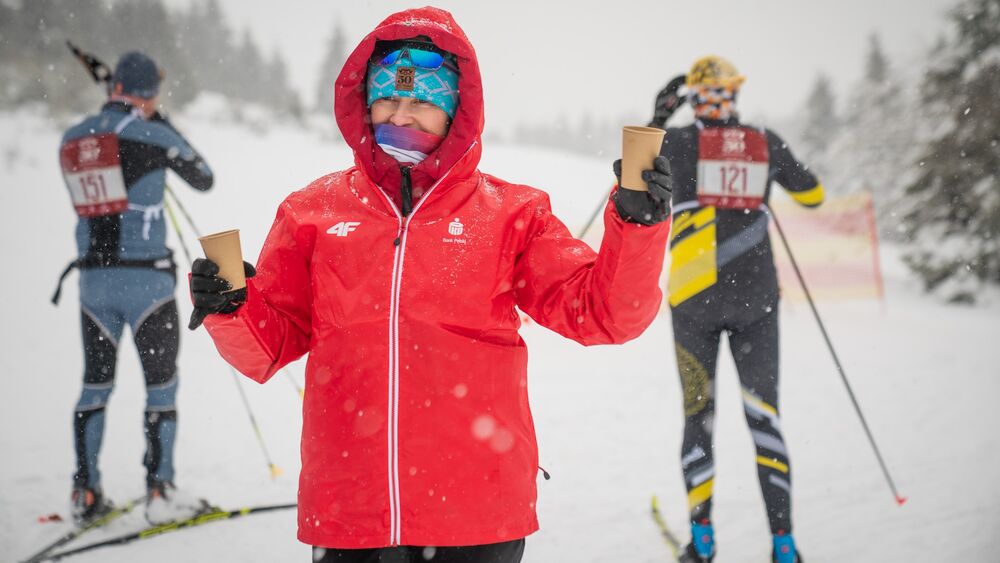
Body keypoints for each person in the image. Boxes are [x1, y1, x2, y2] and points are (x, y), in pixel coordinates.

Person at [188, 7, 672, 562]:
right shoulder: (312, 213)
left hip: (477, 514)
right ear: (366, 106)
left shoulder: (513, 213)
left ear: (455, 112)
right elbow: (268, 347)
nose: (403, 114)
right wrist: (230, 307)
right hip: (351, 512)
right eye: (389, 100)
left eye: (422, 101)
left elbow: (606, 314)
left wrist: (637, 226)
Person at [651, 56, 824, 563]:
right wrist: (769, 169)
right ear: (733, 94)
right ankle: (784, 546)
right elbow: (812, 194)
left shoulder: (676, 142)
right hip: (756, 303)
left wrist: (658, 119)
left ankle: (702, 542)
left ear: (692, 98)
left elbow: (634, 175)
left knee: (698, 418)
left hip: (693, 302)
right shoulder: (762, 140)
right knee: (764, 419)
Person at [55, 50, 214, 524]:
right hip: (148, 286)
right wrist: (160, 121)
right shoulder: (154, 132)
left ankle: (84, 492)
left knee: (94, 388)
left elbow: (109, 154)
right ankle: (161, 490)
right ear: (149, 93)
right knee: (161, 390)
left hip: (93, 285)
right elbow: (203, 177)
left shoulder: (72, 136)